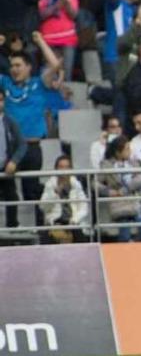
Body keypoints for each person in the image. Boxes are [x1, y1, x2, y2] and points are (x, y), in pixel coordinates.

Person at [1, 32, 62, 226]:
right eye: (12, 66)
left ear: (29, 67)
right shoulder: (6, 84)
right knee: (9, 191)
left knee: (32, 191)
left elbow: (55, 65)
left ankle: (39, 229)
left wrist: (41, 41)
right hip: (10, 148)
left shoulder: (39, 84)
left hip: (33, 147)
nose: (14, 69)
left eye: (18, 65)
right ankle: (11, 229)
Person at [98, 135, 141, 242]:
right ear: (117, 152)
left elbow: (140, 179)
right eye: (127, 149)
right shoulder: (106, 165)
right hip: (120, 203)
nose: (130, 151)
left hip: (136, 200)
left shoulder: (134, 163)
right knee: (124, 235)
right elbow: (95, 183)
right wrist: (108, 191)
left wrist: (126, 189)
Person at [38, 0, 79, 80]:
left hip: (68, 39)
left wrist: (65, 2)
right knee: (48, 78)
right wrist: (56, 6)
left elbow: (74, 15)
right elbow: (40, 15)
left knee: (66, 78)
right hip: (48, 40)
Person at [40, 155, 89, 243]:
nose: (64, 170)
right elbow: (43, 207)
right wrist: (55, 193)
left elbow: (84, 207)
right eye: (61, 167)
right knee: (45, 238)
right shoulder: (50, 185)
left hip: (72, 222)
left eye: (67, 167)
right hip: (55, 222)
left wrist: (75, 220)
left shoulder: (76, 185)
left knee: (81, 239)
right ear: (56, 169)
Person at [0, 90, 27, 229]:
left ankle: (12, 227)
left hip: (6, 169)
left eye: (0, 100)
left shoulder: (10, 122)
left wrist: (14, 161)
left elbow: (22, 144)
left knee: (12, 197)